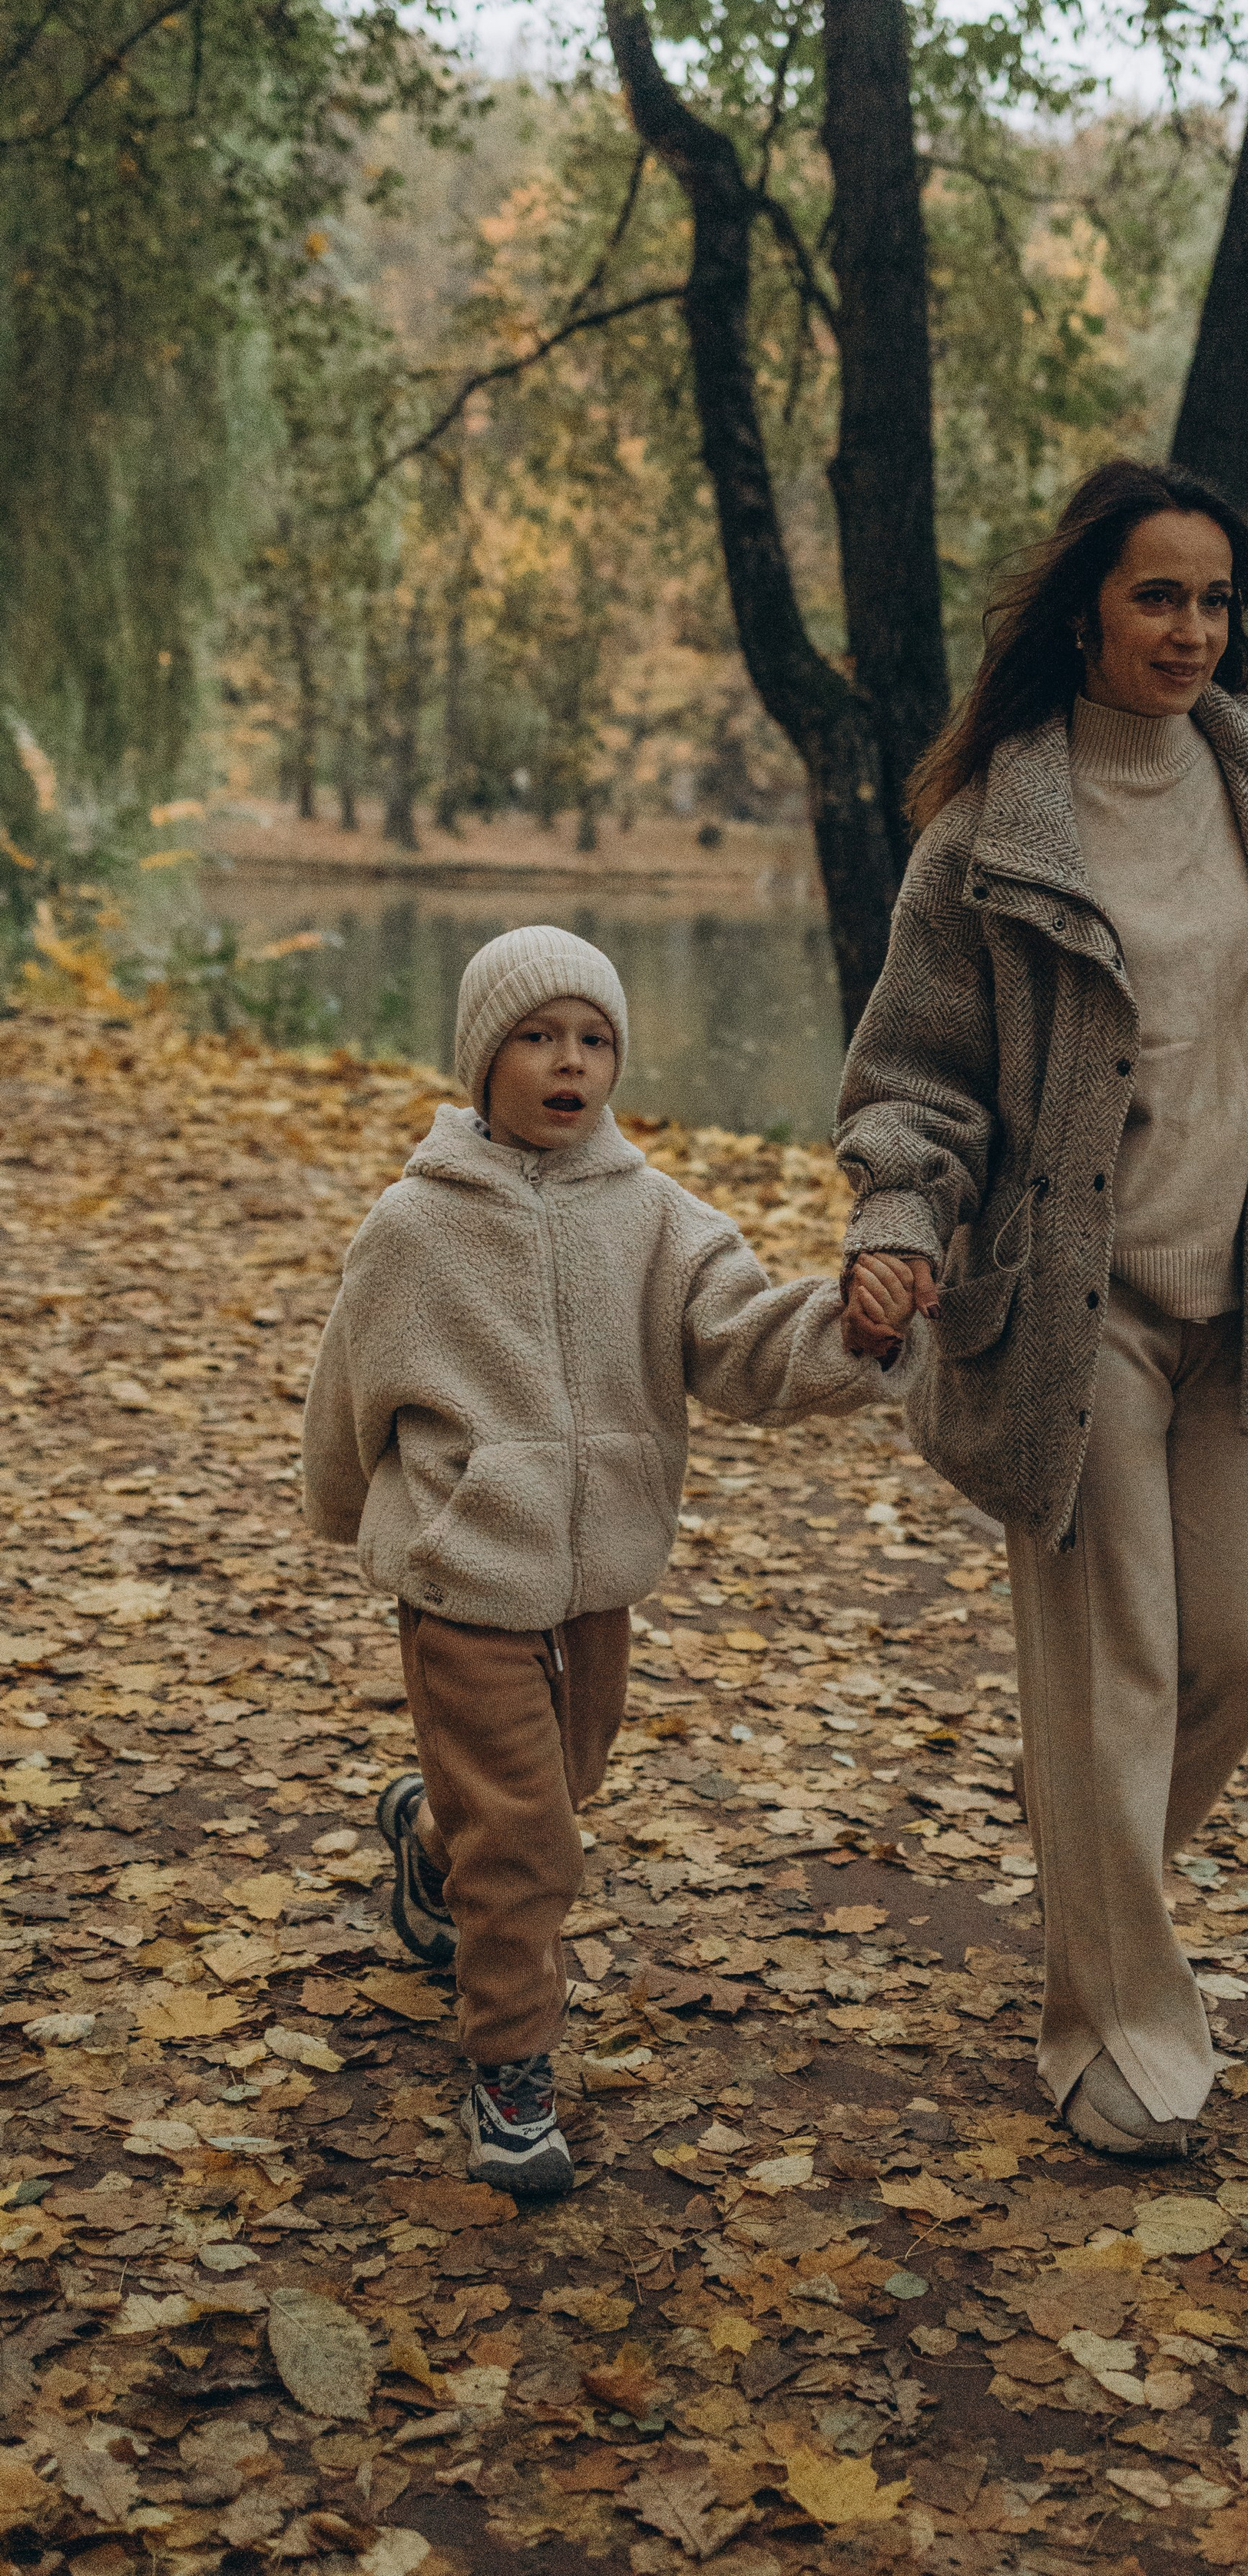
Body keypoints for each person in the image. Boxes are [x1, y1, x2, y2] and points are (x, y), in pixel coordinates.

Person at [834, 461, 1248, 2162]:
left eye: (1215, 599)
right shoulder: (993, 829)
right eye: (1158, 595)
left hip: (1246, 1301)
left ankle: (1093, 1882)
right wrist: (897, 1219)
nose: (1191, 629)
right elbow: (914, 1077)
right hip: (1067, 1308)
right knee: (1116, 1670)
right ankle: (1115, 2035)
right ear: (1086, 612)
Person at [303, 924, 915, 2197]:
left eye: (592, 1038)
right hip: (465, 1580)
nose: (569, 1061)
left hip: (599, 1588)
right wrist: (354, 1518)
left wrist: (855, 1336)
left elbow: (746, 1344)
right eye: (537, 1037)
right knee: (531, 1845)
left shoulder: (660, 1219)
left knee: (556, 1791)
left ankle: (430, 1838)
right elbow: (351, 1387)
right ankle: (511, 2072)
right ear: (483, 1058)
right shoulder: (416, 1224)